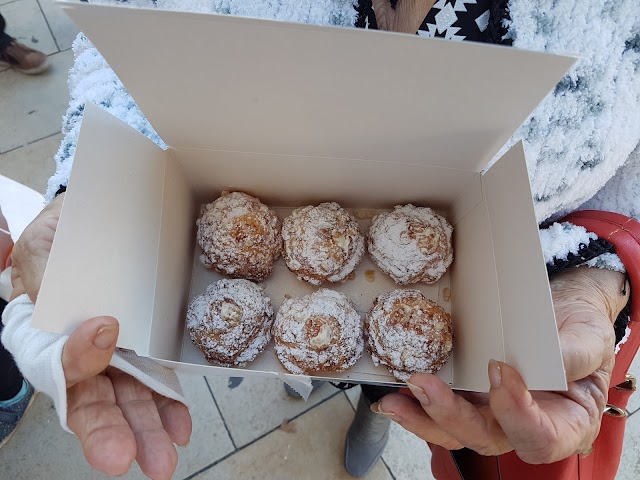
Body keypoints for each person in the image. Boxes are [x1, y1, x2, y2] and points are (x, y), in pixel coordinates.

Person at [2, 1, 639, 479]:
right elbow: (127, 33)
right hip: (300, 283)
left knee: (403, 385)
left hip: (468, 324)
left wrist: (593, 267)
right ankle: (311, 379)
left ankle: (373, 406)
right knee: (310, 353)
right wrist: (100, 190)